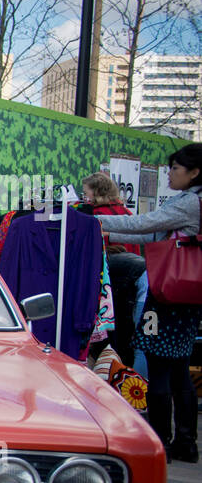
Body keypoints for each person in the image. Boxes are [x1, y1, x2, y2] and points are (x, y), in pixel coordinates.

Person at [98, 144, 202, 462]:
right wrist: (109, 233)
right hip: (186, 296)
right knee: (179, 367)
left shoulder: (190, 202)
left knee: (156, 363)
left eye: (175, 169)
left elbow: (143, 224)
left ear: (194, 172)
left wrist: (96, 223)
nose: (170, 174)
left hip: (165, 296)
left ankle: (159, 440)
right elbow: (156, 236)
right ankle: (186, 442)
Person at [78, 171, 141, 365]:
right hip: (134, 281)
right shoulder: (127, 213)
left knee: (108, 336)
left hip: (109, 284)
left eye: (85, 192)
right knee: (127, 331)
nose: (84, 197)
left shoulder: (93, 216)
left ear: (96, 192)